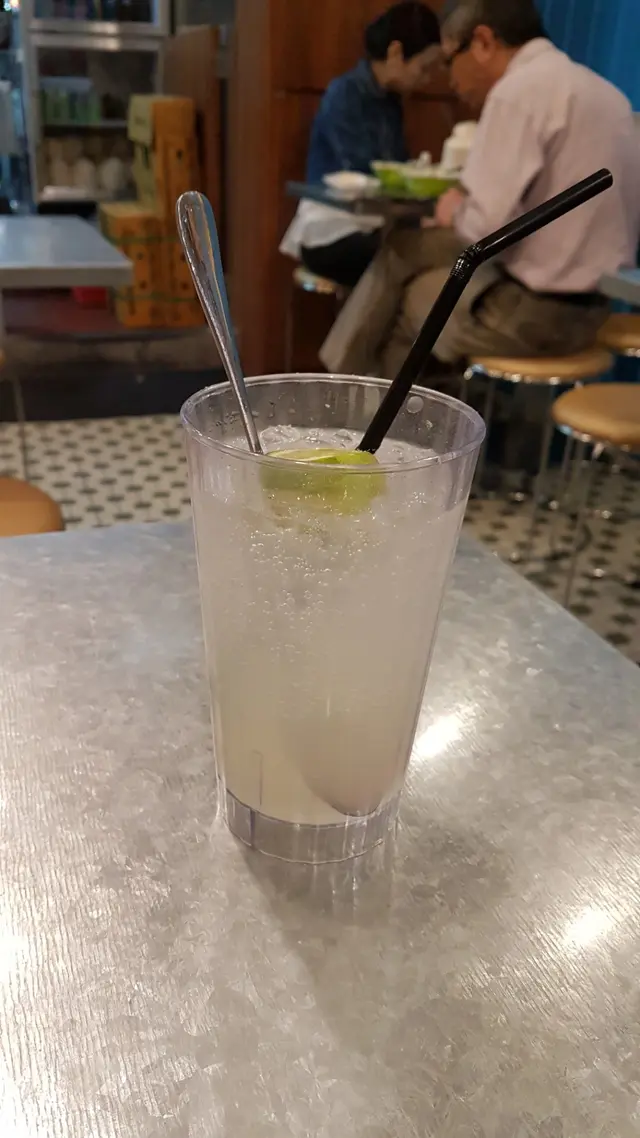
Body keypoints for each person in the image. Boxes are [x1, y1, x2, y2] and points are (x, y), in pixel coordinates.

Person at [321, 0, 640, 378]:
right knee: (404, 251)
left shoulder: (518, 92)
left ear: (483, 43)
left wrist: (453, 208)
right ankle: (346, 377)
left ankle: (354, 399)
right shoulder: (608, 95)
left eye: (448, 60)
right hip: (597, 307)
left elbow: (482, 227)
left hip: (538, 318)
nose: (449, 80)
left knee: (414, 293)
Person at [279, 1, 441, 289]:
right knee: (405, 259)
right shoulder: (344, 94)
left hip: (372, 226)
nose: (427, 80)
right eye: (424, 68)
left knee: (423, 254)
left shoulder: (391, 102)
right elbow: (365, 173)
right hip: (332, 230)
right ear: (395, 53)